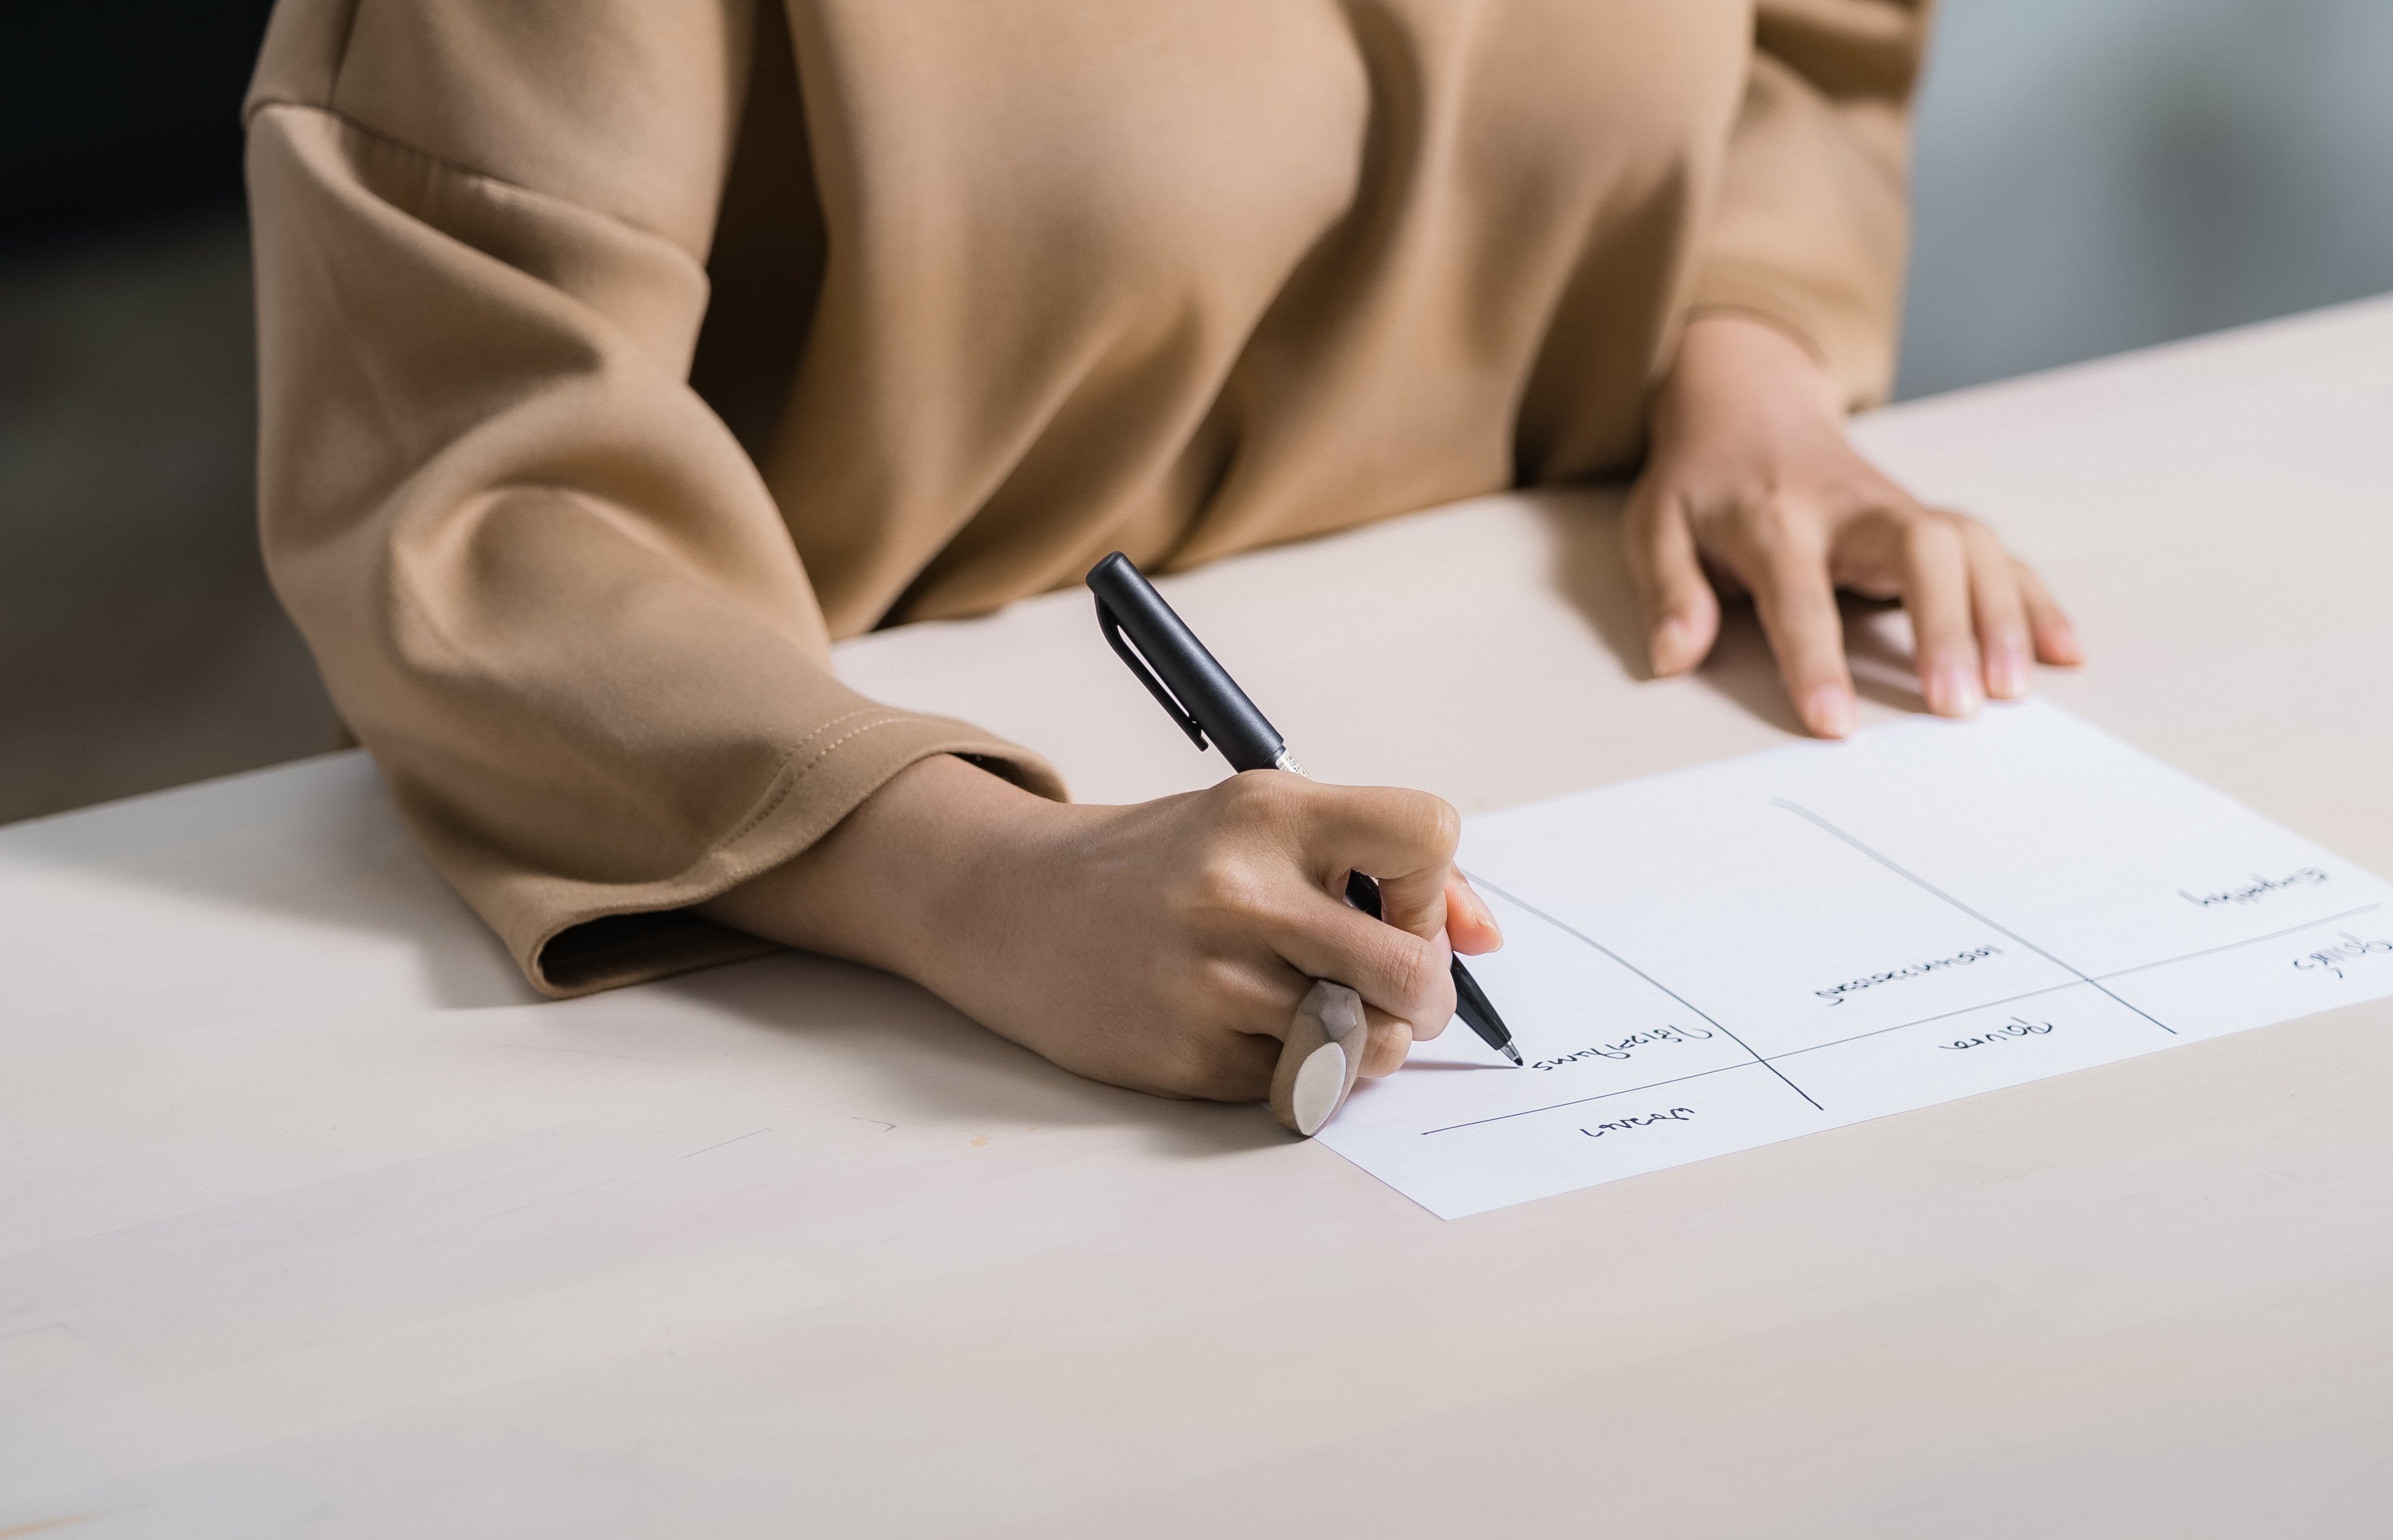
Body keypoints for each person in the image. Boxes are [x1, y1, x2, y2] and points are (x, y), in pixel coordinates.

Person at [244, 0, 2079, 1105]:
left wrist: (1745, 347)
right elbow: (474, 464)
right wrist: (976, 882)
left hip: (1580, 683)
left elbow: (1796, 53)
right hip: (799, 872)